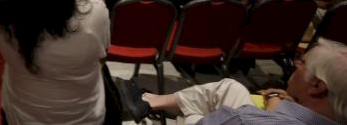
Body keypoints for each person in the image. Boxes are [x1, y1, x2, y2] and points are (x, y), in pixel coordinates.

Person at [123, 38, 347, 125]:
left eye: (303, 62)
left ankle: (155, 105)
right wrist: (279, 104)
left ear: (317, 86)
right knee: (232, 87)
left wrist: (273, 111)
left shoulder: (245, 120)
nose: (296, 64)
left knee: (202, 111)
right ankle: (150, 101)